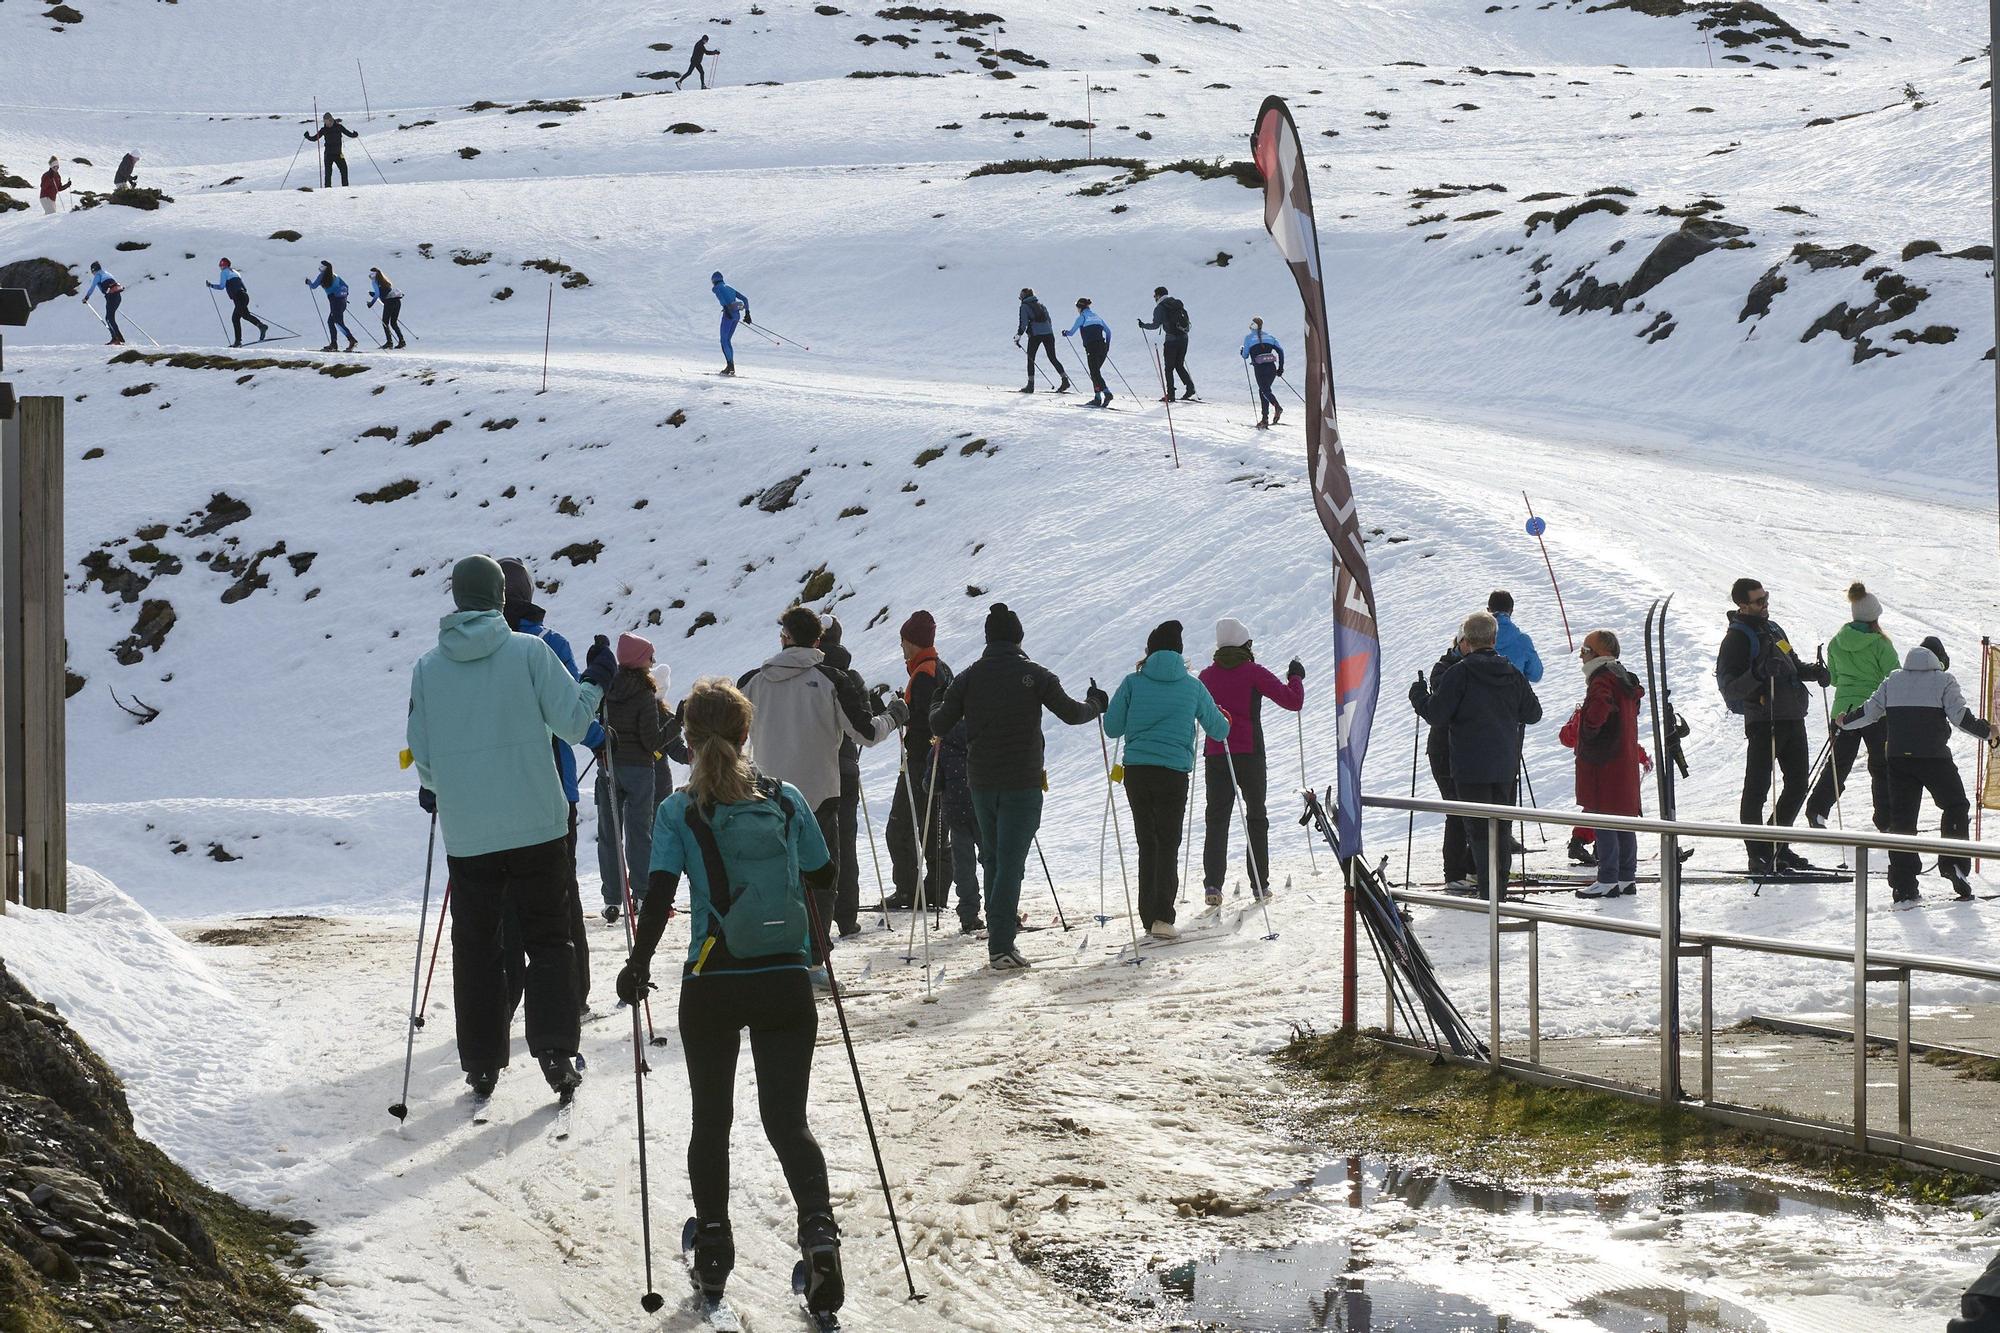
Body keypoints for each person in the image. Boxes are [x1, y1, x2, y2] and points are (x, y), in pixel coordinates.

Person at [616, 677, 845, 1320]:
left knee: (711, 1120)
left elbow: (659, 896)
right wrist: (811, 937)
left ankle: (713, 1248)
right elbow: (824, 873)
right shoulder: (785, 798)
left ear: (687, 741)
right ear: (747, 735)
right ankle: (820, 1241)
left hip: (712, 981)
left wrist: (637, 966)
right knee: (787, 1121)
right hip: (784, 978)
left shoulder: (678, 812)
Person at [407, 555, 614, 1102]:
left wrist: (446, 788)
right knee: (549, 937)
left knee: (477, 946)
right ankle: (556, 1052)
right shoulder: (530, 651)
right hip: (537, 824)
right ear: (501, 597)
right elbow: (575, 722)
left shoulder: (427, 669)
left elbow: (423, 756)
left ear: (457, 599)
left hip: (469, 834)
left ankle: (481, 1064)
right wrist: (596, 680)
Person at [929, 604, 1106, 969]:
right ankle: (1001, 944)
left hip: (981, 782)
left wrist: (936, 705)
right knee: (1010, 861)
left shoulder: (968, 677)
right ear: (1019, 638)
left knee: (995, 858)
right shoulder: (1035, 674)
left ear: (988, 638)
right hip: (1022, 782)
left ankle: (1000, 937)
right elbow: (1072, 714)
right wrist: (1096, 703)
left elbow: (939, 724)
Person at [738, 606, 903, 975]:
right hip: (820, 796)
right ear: (817, 640)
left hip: (766, 796)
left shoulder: (751, 681)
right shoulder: (832, 679)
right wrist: (895, 715)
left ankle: (776, 956)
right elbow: (866, 733)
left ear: (783, 637)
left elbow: (730, 736)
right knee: (821, 877)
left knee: (774, 876)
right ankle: (814, 960)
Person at [499, 558, 603, 1009]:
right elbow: (570, 713)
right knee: (559, 897)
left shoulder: (469, 650)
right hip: (552, 794)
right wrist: (601, 737)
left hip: (491, 798)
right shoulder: (547, 643)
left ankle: (504, 997)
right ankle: (572, 995)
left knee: (502, 900)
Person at [1838, 636, 1991, 902]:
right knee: (1955, 805)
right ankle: (1953, 864)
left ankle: (1903, 884)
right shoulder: (1944, 680)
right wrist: (1988, 732)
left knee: (1902, 820)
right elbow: (1960, 718)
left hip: (1898, 758)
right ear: (1939, 660)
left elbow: (1869, 712)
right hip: (1934, 757)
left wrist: (1844, 721)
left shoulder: (1893, 680)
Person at [1103, 621, 1229, 938]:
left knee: (1147, 842)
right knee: (1168, 842)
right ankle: (1162, 916)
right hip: (1173, 773)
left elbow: (1112, 727)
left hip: (1137, 771)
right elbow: (1218, 730)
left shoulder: (1132, 683)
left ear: (1149, 651)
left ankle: (1148, 916)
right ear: (1179, 653)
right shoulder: (1193, 687)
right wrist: (1225, 718)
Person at [1410, 610, 1543, 896]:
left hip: (1470, 765)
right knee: (1501, 827)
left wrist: (1419, 697)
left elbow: (1437, 714)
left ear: (1467, 642)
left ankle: (1488, 891)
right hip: (1504, 763)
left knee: (1479, 829)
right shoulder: (1510, 672)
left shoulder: (1459, 673)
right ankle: (1497, 889)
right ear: (1494, 639)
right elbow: (1533, 713)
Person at [1715, 577, 1829, 874]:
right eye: (1759, 601)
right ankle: (1758, 854)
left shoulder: (1773, 628)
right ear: (1742, 605)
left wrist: (1814, 672)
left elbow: (1792, 664)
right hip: (1764, 720)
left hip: (1792, 715)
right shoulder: (1736, 639)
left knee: (1798, 784)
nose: (1765, 605)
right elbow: (1730, 688)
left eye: (1766, 598)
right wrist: (1758, 673)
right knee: (1757, 789)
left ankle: (1776, 844)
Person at [1197, 617, 1305, 905]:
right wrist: (1296, 677)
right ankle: (1259, 884)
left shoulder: (1205, 677)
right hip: (1250, 754)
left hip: (1216, 753)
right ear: (1245, 645)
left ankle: (1213, 886)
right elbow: (1293, 701)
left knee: (1216, 819)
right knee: (1256, 817)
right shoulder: (1253, 672)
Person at [1558, 630, 1646, 898]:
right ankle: (1626, 877)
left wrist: (1586, 734)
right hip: (1623, 762)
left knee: (1603, 818)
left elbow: (1597, 714)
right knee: (1624, 820)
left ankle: (1607, 878)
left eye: (1585, 650)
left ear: (1599, 653)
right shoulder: (1623, 677)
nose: (1581, 656)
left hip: (1603, 764)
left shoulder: (1602, 679)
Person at [1807, 582, 1896, 831]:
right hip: (1874, 711)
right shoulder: (1880, 644)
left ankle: (1817, 810)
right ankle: (1886, 819)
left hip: (1842, 711)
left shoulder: (1836, 642)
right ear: (1874, 617)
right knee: (1881, 766)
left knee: (1838, 763)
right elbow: (1894, 676)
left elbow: (1834, 678)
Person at [884, 611, 953, 916]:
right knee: (935, 827)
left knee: (900, 827)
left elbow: (927, 720)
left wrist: (903, 713)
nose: (901, 645)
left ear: (912, 642)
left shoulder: (924, 674)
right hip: (940, 758)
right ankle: (935, 890)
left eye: (903, 640)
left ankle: (909, 890)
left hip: (922, 761)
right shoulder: (941, 668)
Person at [597, 633, 667, 920]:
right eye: (650, 657)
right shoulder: (644, 693)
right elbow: (652, 741)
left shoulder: (606, 688)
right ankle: (641, 893)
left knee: (609, 833)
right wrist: (676, 723)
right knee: (640, 833)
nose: (652, 662)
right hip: (639, 769)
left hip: (609, 767)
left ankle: (612, 899)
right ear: (640, 661)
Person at [816, 618, 870, 936]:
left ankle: (816, 913)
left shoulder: (811, 674)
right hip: (846, 766)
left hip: (815, 768)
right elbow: (863, 719)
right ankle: (847, 916)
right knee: (845, 841)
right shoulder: (852, 676)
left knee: (815, 841)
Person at [1421, 634, 1477, 891]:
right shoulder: (1444, 668)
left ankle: (1473, 867)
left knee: (1474, 811)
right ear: (1459, 642)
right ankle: (1455, 872)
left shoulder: (1481, 665)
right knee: (1457, 812)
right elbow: (1444, 708)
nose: (1471, 645)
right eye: (1467, 640)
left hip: (1470, 750)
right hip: (1445, 749)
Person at [1137, 285, 1195, 401]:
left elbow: (1155, 325)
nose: (1154, 298)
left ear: (1158, 295)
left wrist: (1143, 325)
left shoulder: (1160, 308)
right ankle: (1190, 387)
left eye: (1154, 295)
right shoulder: (1176, 303)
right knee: (1179, 365)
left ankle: (1171, 394)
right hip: (1184, 338)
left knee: (1169, 368)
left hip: (1171, 340)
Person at [1014, 287, 1071, 393]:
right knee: (1052, 357)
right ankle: (1065, 380)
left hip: (1035, 335)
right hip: (1049, 334)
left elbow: (1023, 322)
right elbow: (1049, 320)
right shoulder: (1041, 305)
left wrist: (1018, 335)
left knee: (1031, 359)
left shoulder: (1024, 306)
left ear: (1023, 297)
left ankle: (1030, 385)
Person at [1063, 297, 1114, 408]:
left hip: (1092, 348)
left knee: (1095, 373)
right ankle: (1097, 397)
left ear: (1080, 308)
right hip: (1103, 347)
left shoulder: (1082, 317)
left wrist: (1065, 333)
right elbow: (1108, 332)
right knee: (1095, 373)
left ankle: (1106, 393)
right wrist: (1107, 346)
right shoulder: (1097, 316)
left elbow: (1071, 332)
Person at [206, 259, 270, 347]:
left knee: (240, 317)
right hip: (244, 296)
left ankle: (260, 327)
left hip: (238, 297)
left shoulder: (224, 272)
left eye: (222, 265)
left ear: (225, 266)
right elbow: (244, 288)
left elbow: (221, 286)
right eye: (220, 266)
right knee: (238, 317)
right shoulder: (235, 272)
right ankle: (240, 340)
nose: (221, 267)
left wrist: (211, 285)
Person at [1241, 318, 1283, 429]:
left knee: (1264, 391)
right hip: (1271, 368)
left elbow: (1245, 355)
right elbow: (1280, 351)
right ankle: (1265, 418)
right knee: (1264, 391)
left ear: (1252, 326)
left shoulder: (1249, 338)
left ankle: (1276, 407)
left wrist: (1242, 351)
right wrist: (1280, 368)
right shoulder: (1270, 336)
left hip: (1260, 368)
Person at [307, 261, 357, 352]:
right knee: (332, 322)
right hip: (341, 301)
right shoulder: (335, 275)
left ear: (324, 268)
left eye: (321, 266)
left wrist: (308, 282)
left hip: (334, 301)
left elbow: (313, 286)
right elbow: (346, 286)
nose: (320, 268)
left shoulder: (322, 275)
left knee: (337, 322)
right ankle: (334, 344)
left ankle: (351, 340)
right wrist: (343, 297)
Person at [712, 271, 750, 376]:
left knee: (724, 341)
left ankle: (730, 367)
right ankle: (731, 367)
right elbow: (745, 299)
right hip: (736, 315)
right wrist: (747, 314)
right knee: (728, 340)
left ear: (713, 281)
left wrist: (726, 309)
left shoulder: (716, 288)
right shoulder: (730, 287)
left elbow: (722, 298)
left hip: (728, 316)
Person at [304, 113, 358, 188]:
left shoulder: (339, 127)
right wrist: (307, 136)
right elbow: (314, 138)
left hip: (338, 154)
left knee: (344, 169)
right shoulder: (323, 129)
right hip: (328, 154)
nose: (325, 123)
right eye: (324, 122)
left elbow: (348, 133)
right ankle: (327, 189)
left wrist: (354, 135)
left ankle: (345, 188)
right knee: (328, 173)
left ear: (330, 120)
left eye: (326, 121)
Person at [81, 262, 124, 345]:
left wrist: (86, 298)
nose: (92, 273)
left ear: (93, 270)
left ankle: (117, 338)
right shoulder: (107, 273)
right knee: (110, 318)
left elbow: (92, 288)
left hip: (111, 298)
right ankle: (116, 338)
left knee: (109, 318)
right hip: (118, 297)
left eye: (92, 271)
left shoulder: (98, 276)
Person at [366, 267, 406, 349]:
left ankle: (389, 342)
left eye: (371, 274)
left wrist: (371, 303)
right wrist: (373, 294)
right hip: (397, 302)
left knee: (385, 322)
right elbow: (382, 293)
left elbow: (378, 294)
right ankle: (402, 341)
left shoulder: (375, 282)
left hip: (389, 303)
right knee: (393, 323)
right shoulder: (384, 281)